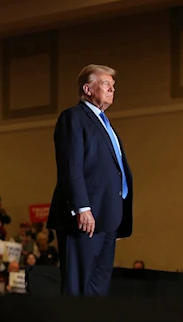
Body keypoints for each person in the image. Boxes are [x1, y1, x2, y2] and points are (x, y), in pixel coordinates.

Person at [47, 64, 133, 297]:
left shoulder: (105, 123)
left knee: (98, 288)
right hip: (84, 217)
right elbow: (70, 166)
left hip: (108, 215)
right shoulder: (73, 117)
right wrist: (82, 207)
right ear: (87, 89)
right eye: (106, 84)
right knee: (77, 287)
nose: (112, 89)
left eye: (113, 86)